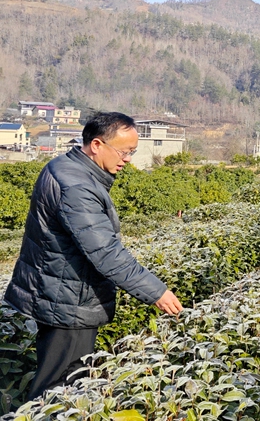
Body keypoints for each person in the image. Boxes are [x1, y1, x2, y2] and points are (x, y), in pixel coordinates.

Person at [3, 112, 183, 401]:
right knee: (58, 391)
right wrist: (157, 293)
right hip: (68, 302)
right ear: (97, 145)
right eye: (123, 152)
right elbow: (106, 253)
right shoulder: (77, 187)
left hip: (60, 292)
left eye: (132, 152)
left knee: (59, 381)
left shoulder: (64, 167)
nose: (127, 159)